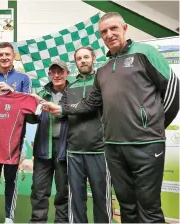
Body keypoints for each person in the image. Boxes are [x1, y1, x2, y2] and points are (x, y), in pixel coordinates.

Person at [43, 12, 179, 223]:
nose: (109, 34)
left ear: (125, 28)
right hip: (113, 148)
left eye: (114, 28)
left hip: (146, 144)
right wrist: (61, 109)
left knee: (149, 209)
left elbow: (172, 89)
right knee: (127, 207)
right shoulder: (104, 71)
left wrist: (155, 127)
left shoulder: (145, 52)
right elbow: (90, 104)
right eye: (104, 31)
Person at [0, 42, 32, 223]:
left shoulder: (23, 79)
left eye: (7, 54)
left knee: (11, 179)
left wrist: (12, 93)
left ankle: (9, 217)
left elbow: (28, 104)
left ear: (13, 56)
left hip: (14, 139)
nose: (4, 57)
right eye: (0, 54)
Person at [66, 47, 111, 223]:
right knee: (76, 199)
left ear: (93, 58)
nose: (83, 61)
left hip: (99, 150)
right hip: (74, 151)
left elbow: (67, 108)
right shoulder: (70, 86)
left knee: (101, 198)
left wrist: (67, 109)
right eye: (79, 58)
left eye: (86, 57)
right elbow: (61, 110)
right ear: (75, 62)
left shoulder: (102, 82)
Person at [27, 60, 69, 223]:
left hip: (65, 147)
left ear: (67, 73)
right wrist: (30, 109)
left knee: (63, 190)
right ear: (49, 75)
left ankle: (62, 221)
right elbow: (32, 120)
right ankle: (38, 220)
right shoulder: (41, 93)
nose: (57, 75)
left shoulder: (73, 92)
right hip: (43, 145)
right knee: (38, 189)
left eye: (60, 72)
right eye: (53, 72)